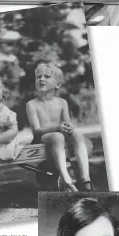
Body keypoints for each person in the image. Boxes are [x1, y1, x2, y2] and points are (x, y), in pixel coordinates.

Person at [26, 62, 94, 192]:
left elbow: (67, 124)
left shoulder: (62, 102)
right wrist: (57, 128)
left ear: (57, 84)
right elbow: (36, 131)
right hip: (42, 138)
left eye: (47, 76)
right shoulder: (32, 104)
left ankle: (86, 179)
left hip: (59, 137)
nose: (41, 79)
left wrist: (70, 128)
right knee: (57, 136)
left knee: (77, 133)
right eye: (38, 77)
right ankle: (66, 179)